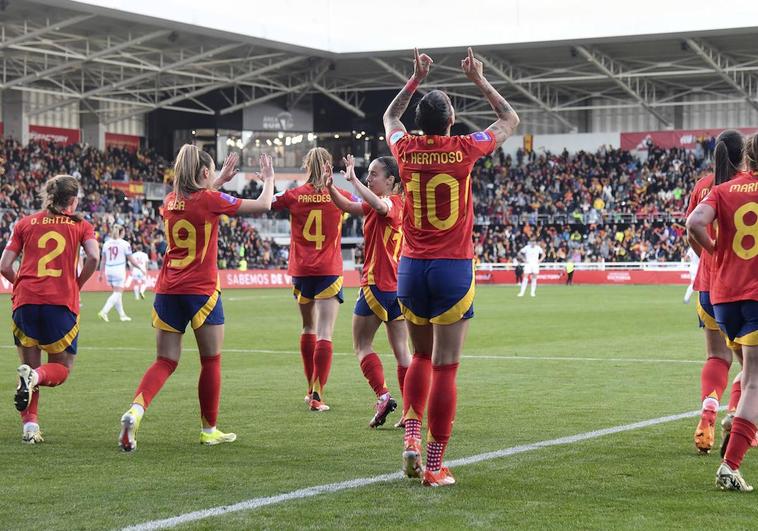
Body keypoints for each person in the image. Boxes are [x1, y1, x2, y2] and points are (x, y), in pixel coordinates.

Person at [383, 47, 518, 486]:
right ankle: (436, 464)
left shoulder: (404, 148)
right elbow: (509, 119)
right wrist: (479, 78)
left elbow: (390, 117)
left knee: (420, 355)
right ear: (451, 118)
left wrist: (415, 78)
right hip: (452, 268)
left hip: (409, 268)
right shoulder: (464, 148)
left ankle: (411, 438)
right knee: (446, 366)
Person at [118, 149, 275, 451]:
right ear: (204, 173)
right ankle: (209, 429)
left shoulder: (168, 202)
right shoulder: (211, 199)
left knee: (164, 360)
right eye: (212, 171)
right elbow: (264, 204)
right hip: (201, 291)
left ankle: (135, 411)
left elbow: (195, 200)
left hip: (167, 289)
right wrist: (268, 179)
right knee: (211, 360)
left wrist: (217, 181)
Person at [0, 175, 100, 444]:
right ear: (73, 200)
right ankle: (35, 377)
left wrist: (20, 284)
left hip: (25, 303)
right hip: (60, 303)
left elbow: (4, 265)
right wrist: (76, 285)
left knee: (28, 364)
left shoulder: (24, 223)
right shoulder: (81, 225)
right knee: (60, 369)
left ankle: (30, 428)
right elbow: (93, 257)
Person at [687, 132, 758, 491]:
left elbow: (692, 228)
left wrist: (715, 254)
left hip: (716, 289)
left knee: (731, 363)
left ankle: (721, 414)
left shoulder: (711, 186)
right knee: (754, 375)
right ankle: (733, 453)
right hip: (751, 288)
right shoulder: (740, 187)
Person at [327, 154, 411, 428]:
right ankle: (411, 410)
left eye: (374, 174)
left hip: (377, 284)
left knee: (361, 345)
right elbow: (350, 206)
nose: (368, 177)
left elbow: (378, 204)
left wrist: (351, 179)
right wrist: (330, 187)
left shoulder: (391, 204)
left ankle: (383, 395)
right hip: (398, 288)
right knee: (402, 352)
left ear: (391, 181)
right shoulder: (391, 204)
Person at [271, 147, 353, 412]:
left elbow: (266, 203)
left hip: (302, 270)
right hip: (328, 269)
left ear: (306, 166)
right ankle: (318, 394)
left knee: (308, 328)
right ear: (328, 167)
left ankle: (310, 389)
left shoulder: (294, 195)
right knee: (326, 332)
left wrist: (268, 180)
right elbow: (365, 205)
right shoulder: (338, 197)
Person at [97, 224, 146, 322]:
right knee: (117, 293)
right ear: (121, 232)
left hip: (108, 270)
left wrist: (100, 273)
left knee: (117, 293)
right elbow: (131, 260)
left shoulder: (106, 243)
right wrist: (141, 268)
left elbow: (103, 260)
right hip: (118, 270)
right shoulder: (125, 244)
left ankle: (122, 315)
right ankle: (104, 311)